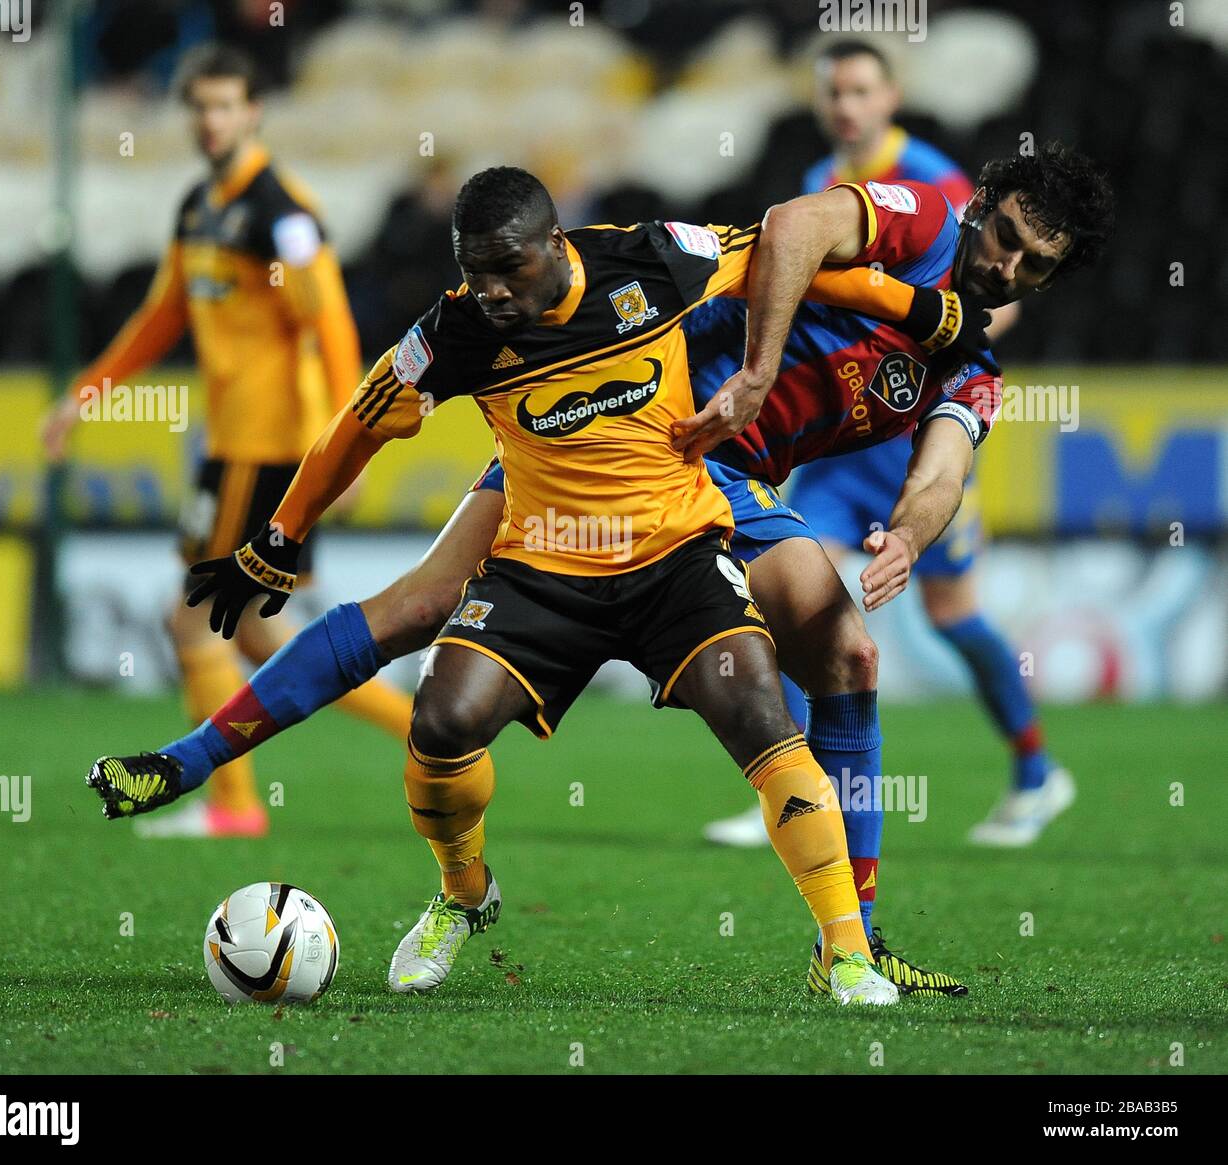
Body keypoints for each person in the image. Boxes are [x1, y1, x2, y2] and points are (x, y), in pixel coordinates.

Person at [88, 165, 1008, 1005]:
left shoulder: (652, 262)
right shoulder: (452, 330)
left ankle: (847, 949)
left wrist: (922, 312)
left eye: (507, 269)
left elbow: (777, 249)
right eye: (474, 271)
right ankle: (447, 886)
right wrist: (278, 535)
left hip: (679, 536)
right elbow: (356, 422)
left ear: (555, 245)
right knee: (437, 705)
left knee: (786, 693)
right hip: (545, 552)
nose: (491, 290)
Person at [704, 40, 1070, 853]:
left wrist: (932, 354)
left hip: (910, 431)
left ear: (890, 95)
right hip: (839, 438)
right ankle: (793, 785)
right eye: (834, 90)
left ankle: (1037, 768)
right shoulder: (816, 183)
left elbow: (980, 312)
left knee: (952, 614)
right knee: (778, 600)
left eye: (861, 90)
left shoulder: (937, 188)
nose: (846, 106)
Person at [41, 44, 411, 838]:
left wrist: (353, 440)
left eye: (224, 105)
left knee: (193, 621)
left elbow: (331, 322)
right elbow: (161, 317)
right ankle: (423, 732)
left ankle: (234, 805)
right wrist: (85, 394)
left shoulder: (281, 212)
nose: (210, 121)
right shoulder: (199, 207)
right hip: (229, 447)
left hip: (271, 447)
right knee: (252, 632)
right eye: (198, 107)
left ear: (253, 112)